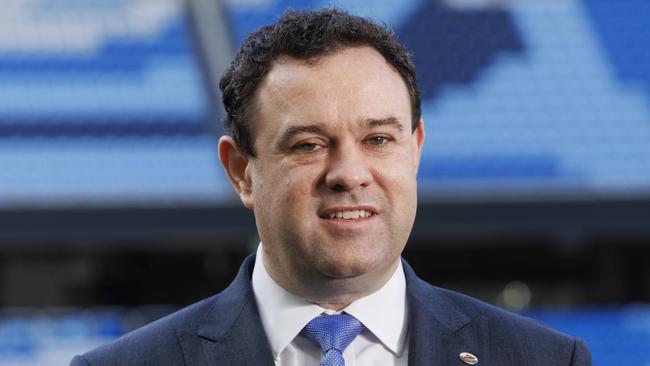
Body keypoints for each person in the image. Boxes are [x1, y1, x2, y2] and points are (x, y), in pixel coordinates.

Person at [70, 8, 591, 366]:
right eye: (308, 145)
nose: (349, 173)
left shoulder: (545, 359)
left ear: (416, 150)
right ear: (241, 171)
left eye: (379, 139)